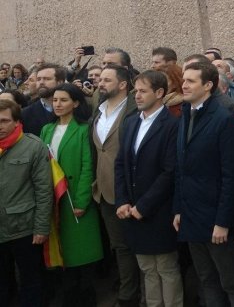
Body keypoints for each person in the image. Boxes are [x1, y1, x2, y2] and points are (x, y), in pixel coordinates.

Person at [173, 62, 234, 307]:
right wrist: (178, 209)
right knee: (206, 279)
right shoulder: (186, 113)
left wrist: (223, 222)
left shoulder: (225, 120)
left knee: (232, 282)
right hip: (191, 214)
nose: (184, 85)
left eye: (191, 81)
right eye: (183, 80)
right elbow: (181, 168)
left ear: (208, 86)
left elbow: (232, 177)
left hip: (216, 220)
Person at [115, 70, 183, 307]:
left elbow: (169, 171)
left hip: (158, 209)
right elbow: (121, 163)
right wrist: (122, 200)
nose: (138, 96)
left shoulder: (172, 125)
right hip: (132, 209)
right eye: (136, 91)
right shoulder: (131, 121)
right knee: (146, 267)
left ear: (160, 93)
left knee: (165, 266)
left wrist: (144, 206)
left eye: (143, 91)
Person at [40, 84, 103, 306]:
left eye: (63, 100)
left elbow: (88, 166)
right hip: (54, 199)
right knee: (63, 250)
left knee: (82, 251)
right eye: (55, 100)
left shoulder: (84, 129)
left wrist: (82, 200)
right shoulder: (47, 130)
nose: (57, 104)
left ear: (75, 103)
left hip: (75, 198)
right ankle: (69, 294)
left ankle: (86, 295)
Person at [91, 64, 140, 307]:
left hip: (131, 192)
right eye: (101, 79)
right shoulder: (98, 111)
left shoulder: (134, 111)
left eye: (107, 80)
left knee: (136, 247)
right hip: (104, 191)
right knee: (119, 246)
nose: (101, 83)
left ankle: (132, 293)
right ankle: (127, 289)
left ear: (123, 85)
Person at [0, 99, 52, 307]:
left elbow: (43, 190)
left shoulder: (33, 146)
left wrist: (41, 227)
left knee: (30, 280)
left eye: (4, 121)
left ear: (16, 122)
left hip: (24, 228)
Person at [21, 63, 64, 135]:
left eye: (47, 79)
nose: (41, 82)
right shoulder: (25, 114)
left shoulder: (75, 110)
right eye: (38, 79)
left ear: (60, 82)